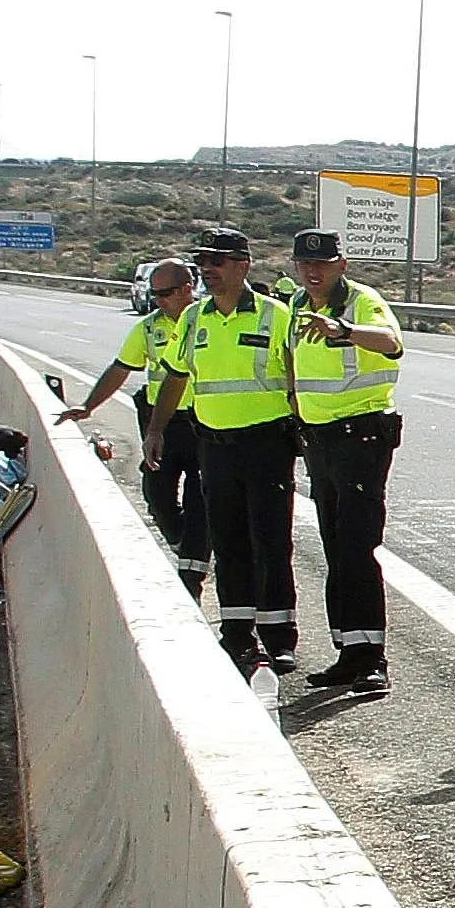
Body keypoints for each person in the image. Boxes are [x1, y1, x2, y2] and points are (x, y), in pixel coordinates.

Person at [152, 228, 304, 677]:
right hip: (215, 448)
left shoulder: (276, 316)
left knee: (271, 543)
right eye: (203, 264)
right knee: (229, 543)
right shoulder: (194, 319)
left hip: (267, 445)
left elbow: (296, 379)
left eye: (217, 263)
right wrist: (156, 429)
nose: (208, 272)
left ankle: (278, 638)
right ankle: (236, 632)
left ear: (243, 266)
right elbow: (175, 377)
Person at [284, 229, 406, 694]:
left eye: (323, 263)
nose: (313, 272)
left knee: (357, 547)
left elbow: (391, 343)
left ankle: (373, 657)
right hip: (319, 440)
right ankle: (348, 651)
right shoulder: (297, 304)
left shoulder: (360, 301)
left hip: (361, 436)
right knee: (336, 548)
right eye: (304, 264)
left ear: (342, 264)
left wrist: (345, 331)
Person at [57, 256, 208, 600]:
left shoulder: (207, 320)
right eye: (154, 294)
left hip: (205, 422)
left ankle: (191, 576)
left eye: (165, 293)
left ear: (188, 289)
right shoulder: (149, 327)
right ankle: (186, 546)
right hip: (162, 422)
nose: (157, 300)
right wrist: (89, 406)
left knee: (201, 501)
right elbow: (121, 368)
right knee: (157, 494)